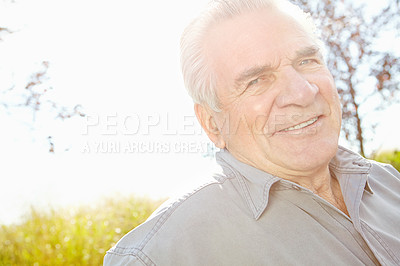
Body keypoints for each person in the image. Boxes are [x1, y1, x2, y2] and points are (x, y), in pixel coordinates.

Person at [104, 0, 400, 265]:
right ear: (212, 124)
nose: (303, 91)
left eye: (306, 61)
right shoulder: (161, 254)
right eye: (257, 81)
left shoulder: (389, 182)